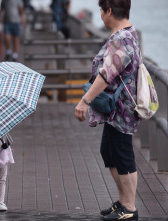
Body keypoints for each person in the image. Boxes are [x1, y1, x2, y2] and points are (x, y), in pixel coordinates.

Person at [75, 0, 140, 220]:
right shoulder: (124, 35)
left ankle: (130, 208)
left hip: (122, 108)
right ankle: (123, 202)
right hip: (115, 107)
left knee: (123, 155)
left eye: (101, 11)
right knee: (109, 152)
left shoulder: (122, 39)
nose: (101, 15)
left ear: (109, 11)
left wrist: (84, 100)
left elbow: (106, 74)